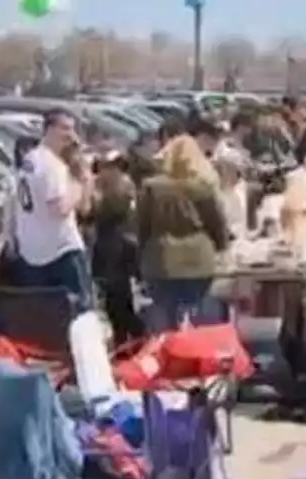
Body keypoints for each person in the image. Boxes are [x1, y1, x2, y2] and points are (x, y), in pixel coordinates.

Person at [137, 135, 227, 331]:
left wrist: (142, 256)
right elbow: (216, 224)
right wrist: (221, 247)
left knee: (165, 317)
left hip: (160, 260)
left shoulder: (151, 188)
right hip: (199, 260)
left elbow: (142, 227)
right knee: (198, 316)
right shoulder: (202, 187)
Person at [12, 109, 96, 311]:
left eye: (73, 129)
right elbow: (60, 207)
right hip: (61, 250)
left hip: (31, 250)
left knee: (44, 316)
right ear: (49, 129)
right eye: (65, 128)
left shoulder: (30, 160)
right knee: (80, 313)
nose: (71, 135)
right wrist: (79, 182)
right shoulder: (51, 165)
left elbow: (84, 209)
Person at [88, 151, 143, 345]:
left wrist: (95, 199)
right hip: (111, 246)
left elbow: (108, 211)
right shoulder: (110, 184)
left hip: (117, 247)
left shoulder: (120, 185)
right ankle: (125, 340)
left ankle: (136, 337)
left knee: (118, 301)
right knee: (115, 301)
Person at [213, 145, 251, 242]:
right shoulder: (215, 194)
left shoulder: (241, 189)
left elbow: (241, 224)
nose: (238, 175)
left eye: (239, 171)